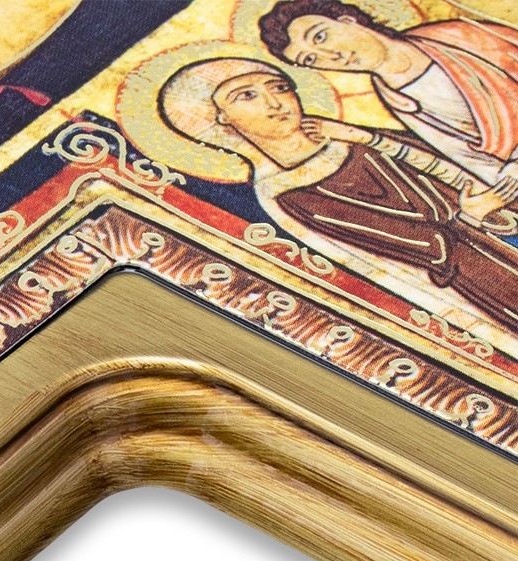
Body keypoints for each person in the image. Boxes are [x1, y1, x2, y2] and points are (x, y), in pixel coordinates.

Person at [157, 57, 518, 348]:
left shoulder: (358, 138)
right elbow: (428, 247)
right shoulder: (290, 194)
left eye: (280, 87)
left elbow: (461, 175)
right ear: (222, 118)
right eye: (246, 96)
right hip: (488, 274)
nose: (274, 103)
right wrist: (467, 213)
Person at [258, 0, 518, 199]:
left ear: (348, 20)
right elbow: (468, 158)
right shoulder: (396, 100)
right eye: (311, 59)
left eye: (320, 36)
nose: (330, 56)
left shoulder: (457, 38)